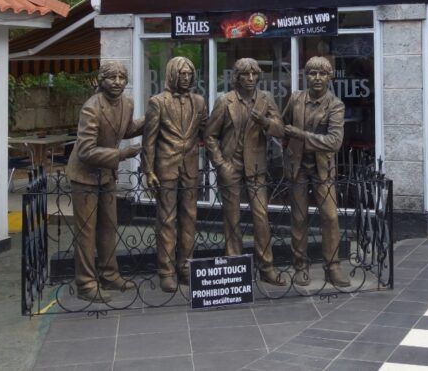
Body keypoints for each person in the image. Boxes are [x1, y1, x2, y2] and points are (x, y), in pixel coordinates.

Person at [66, 62, 144, 302]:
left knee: (109, 226)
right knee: (87, 232)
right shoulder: (91, 108)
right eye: (112, 77)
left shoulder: (127, 104)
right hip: (85, 176)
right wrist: (121, 155)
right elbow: (86, 151)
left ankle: (110, 274)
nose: (118, 82)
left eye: (122, 77)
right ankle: (86, 284)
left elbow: (125, 129)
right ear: (102, 80)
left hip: (107, 176)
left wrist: (151, 117)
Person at [205, 58, 286, 285]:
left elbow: (280, 130)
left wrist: (265, 122)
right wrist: (220, 164)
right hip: (231, 165)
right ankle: (234, 266)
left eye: (254, 74)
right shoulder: (225, 101)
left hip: (256, 166)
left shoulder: (266, 99)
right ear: (236, 77)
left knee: (261, 216)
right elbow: (210, 135)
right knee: (232, 217)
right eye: (245, 75)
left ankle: (266, 267)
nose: (250, 79)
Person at [282, 57, 350, 288]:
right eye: (312, 73)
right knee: (299, 217)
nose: (317, 78)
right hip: (298, 167)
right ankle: (300, 265)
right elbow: (283, 128)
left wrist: (301, 136)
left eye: (322, 74)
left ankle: (333, 266)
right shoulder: (295, 99)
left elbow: (334, 142)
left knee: (330, 216)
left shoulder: (336, 105)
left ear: (330, 77)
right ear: (306, 76)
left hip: (323, 168)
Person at [142, 56, 207, 292]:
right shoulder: (157, 102)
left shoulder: (199, 102)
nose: (187, 78)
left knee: (190, 218)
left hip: (190, 167)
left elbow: (207, 132)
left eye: (190, 74)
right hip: (166, 167)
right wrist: (148, 170)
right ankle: (166, 271)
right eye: (182, 74)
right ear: (172, 74)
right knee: (167, 220)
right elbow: (148, 140)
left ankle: (186, 267)